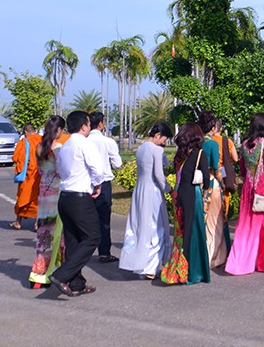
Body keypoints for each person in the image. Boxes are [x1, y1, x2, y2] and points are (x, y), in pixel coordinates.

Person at [49, 111, 107, 297]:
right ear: (84, 126)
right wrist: (97, 185)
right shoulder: (85, 144)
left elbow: (60, 170)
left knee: (73, 239)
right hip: (79, 197)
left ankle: (76, 283)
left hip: (65, 197)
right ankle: (62, 275)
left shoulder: (65, 146)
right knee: (92, 237)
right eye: (89, 124)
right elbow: (98, 170)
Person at [226, 113, 264, 275]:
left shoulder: (245, 144)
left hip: (248, 188)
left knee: (247, 225)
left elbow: (243, 170)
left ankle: (244, 260)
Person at [120, 122, 173, 279]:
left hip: (140, 189)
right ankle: (151, 267)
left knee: (141, 226)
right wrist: (169, 188)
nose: (164, 142)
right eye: (164, 139)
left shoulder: (141, 148)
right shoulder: (156, 150)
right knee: (156, 227)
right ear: (157, 135)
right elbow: (158, 174)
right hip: (152, 191)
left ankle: (141, 266)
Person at [162, 122, 211, 285]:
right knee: (194, 231)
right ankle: (191, 271)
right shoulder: (200, 154)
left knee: (180, 232)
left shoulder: (179, 154)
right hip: (192, 193)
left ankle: (176, 266)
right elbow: (206, 179)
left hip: (178, 193)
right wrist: (205, 194)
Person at [28, 116, 68, 287]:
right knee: (58, 234)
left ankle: (38, 272)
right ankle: (56, 270)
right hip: (56, 193)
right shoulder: (58, 148)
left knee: (44, 233)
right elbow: (61, 172)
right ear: (58, 130)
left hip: (43, 193)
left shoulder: (38, 147)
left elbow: (39, 170)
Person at [87, 111, 122, 263]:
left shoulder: (85, 141)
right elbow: (117, 164)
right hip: (104, 183)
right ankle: (104, 252)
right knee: (104, 219)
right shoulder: (108, 142)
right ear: (101, 124)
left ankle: (83, 251)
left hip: (86, 183)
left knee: (85, 219)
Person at [200, 111, 231, 269]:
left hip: (198, 184)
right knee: (216, 222)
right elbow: (216, 168)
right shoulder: (212, 144)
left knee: (204, 222)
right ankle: (214, 257)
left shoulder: (196, 142)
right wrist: (223, 183)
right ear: (213, 127)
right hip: (212, 183)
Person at [11, 124, 42, 230]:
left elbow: (16, 158)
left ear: (25, 132)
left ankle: (18, 222)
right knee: (38, 199)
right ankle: (37, 224)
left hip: (28, 175)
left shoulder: (24, 142)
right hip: (39, 174)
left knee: (22, 197)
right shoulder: (42, 140)